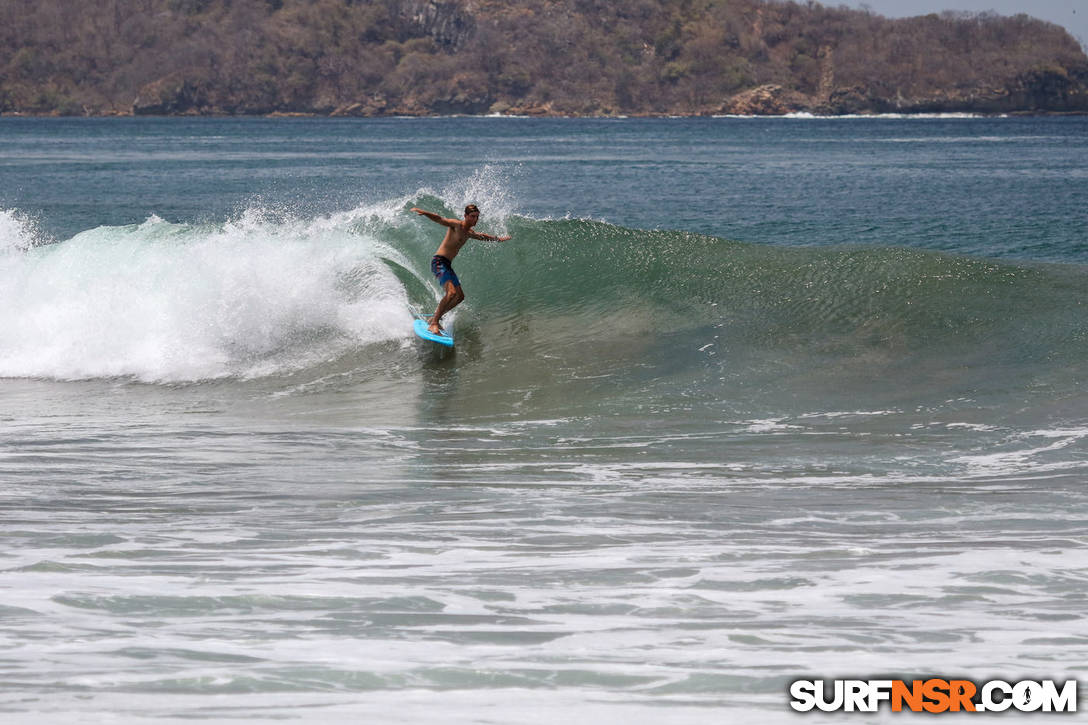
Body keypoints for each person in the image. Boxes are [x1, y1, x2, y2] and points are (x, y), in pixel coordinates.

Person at [411, 204, 511, 335]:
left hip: (447, 265)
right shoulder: (456, 225)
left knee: (460, 297)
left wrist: (499, 239)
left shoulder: (469, 233)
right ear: (465, 216)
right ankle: (434, 323)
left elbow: (483, 236)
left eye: (477, 217)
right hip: (439, 262)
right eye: (472, 216)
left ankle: (435, 317)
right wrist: (424, 212)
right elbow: (439, 218)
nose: (475, 219)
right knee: (451, 293)